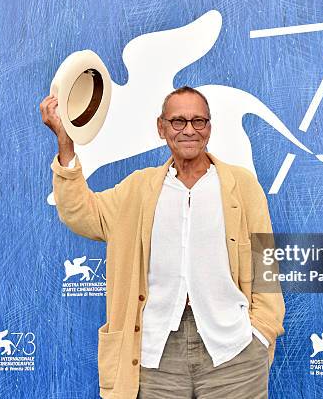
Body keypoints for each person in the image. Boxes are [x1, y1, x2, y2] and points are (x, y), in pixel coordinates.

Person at [40, 86, 285, 399]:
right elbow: (81, 214)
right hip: (155, 355)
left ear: (209, 128)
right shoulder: (138, 189)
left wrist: (260, 332)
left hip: (233, 351)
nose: (188, 130)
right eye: (178, 121)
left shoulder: (242, 186)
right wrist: (66, 143)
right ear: (162, 127)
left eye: (198, 121)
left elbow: (265, 264)